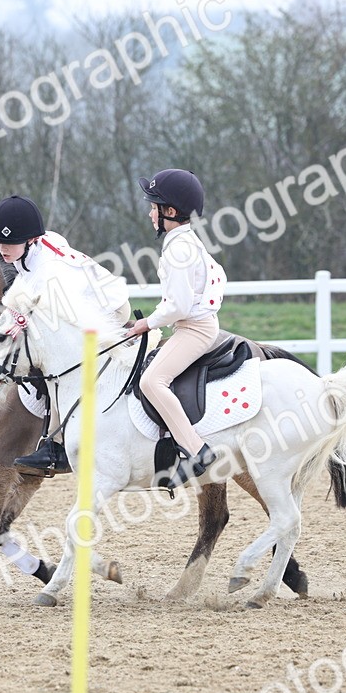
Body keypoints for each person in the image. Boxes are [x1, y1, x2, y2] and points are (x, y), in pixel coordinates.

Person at [0, 195, 131, 476]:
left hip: (108, 309)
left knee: (55, 365)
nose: (3, 250)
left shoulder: (50, 273)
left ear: (30, 241)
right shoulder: (38, 245)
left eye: (9, 243)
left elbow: (46, 318)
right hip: (77, 299)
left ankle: (57, 445)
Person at [126, 169, 226, 490]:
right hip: (191, 326)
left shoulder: (178, 249)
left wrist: (146, 323)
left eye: (154, 206)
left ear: (170, 212)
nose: (150, 212)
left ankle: (197, 451)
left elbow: (178, 306)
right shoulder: (183, 242)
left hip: (193, 329)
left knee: (152, 381)